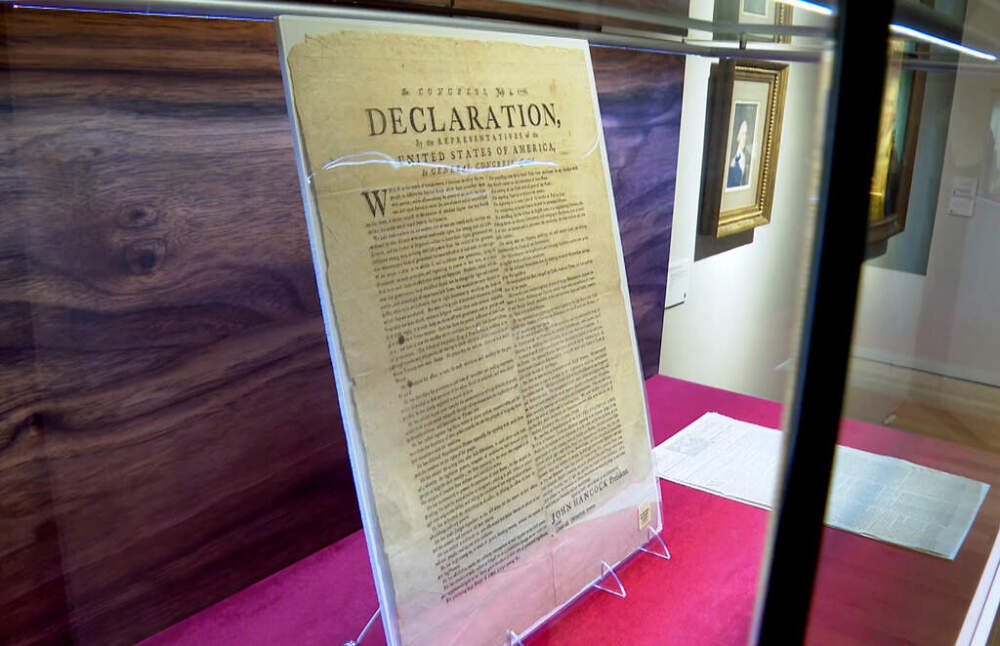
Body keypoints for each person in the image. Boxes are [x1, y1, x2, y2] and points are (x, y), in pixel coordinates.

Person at [727, 119, 752, 189]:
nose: (745, 137)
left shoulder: (745, 158)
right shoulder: (732, 154)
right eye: (743, 133)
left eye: (746, 134)